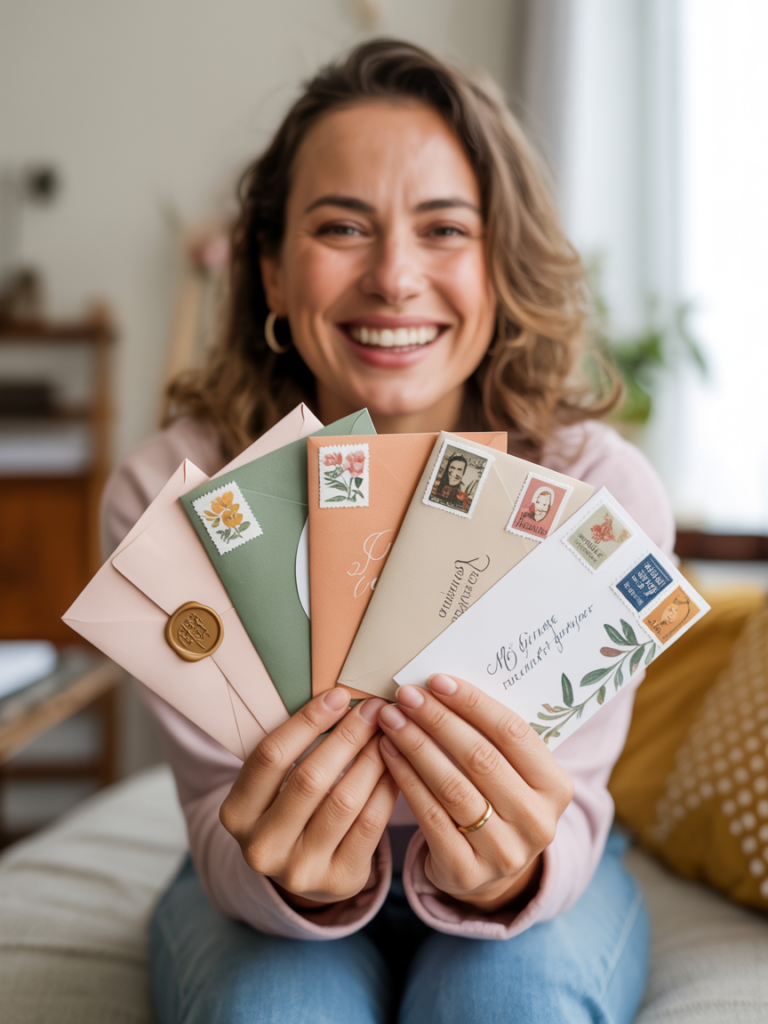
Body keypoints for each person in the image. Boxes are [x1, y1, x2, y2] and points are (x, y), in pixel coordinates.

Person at [102, 39, 675, 1024]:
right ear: (271, 271)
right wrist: (299, 881)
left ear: (503, 266)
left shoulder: (597, 491)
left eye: (446, 229)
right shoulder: (174, 494)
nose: (396, 277)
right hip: (258, 885)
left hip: (533, 888)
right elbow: (213, 807)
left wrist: (504, 877)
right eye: (341, 227)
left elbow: (572, 805)